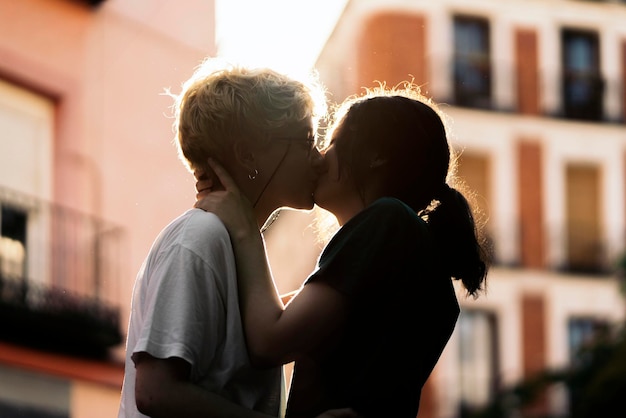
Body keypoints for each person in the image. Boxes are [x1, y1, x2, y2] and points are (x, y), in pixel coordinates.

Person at [194, 82, 491, 418]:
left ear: (376, 156)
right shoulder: (411, 249)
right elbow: (276, 314)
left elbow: (268, 341)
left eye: (333, 143)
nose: (320, 158)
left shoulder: (387, 223)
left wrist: (246, 227)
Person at [117, 57, 357, 418]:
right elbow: (155, 391)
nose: (318, 159)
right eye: (306, 140)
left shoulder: (234, 245)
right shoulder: (200, 237)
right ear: (249, 155)